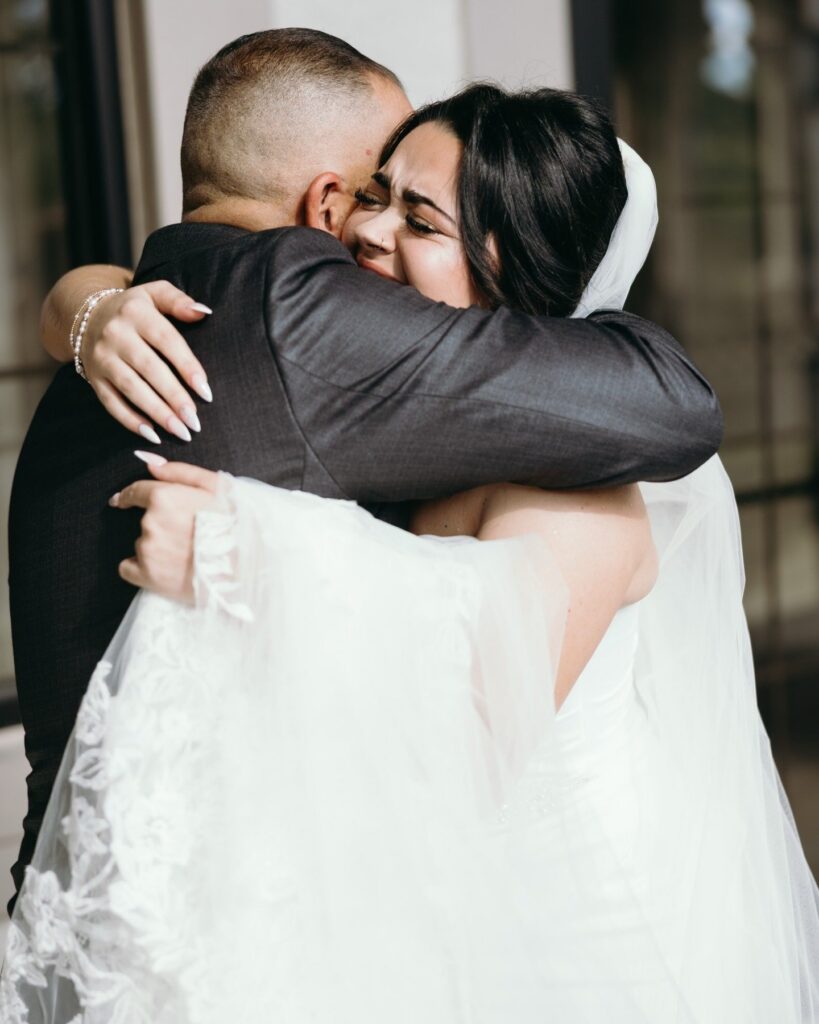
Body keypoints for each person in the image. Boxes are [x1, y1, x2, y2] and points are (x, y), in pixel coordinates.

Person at [4, 81, 818, 1023]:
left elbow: (457, 731)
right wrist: (87, 300)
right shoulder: (406, 432)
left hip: (561, 952)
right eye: (376, 192)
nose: (364, 230)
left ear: (511, 272)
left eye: (418, 218)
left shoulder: (587, 495)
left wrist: (253, 555)